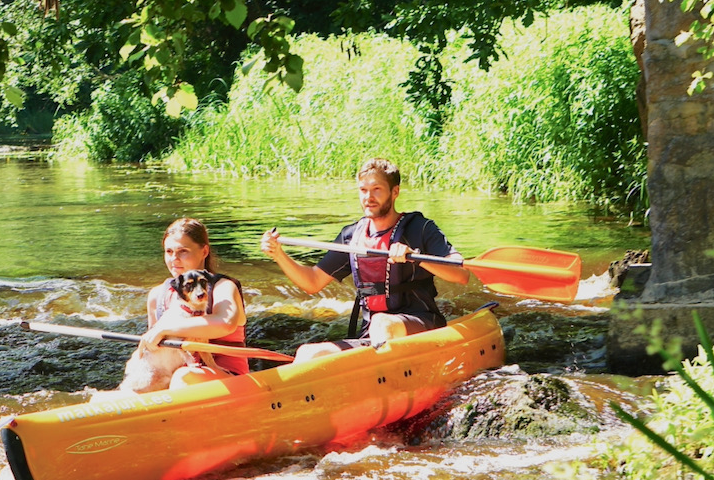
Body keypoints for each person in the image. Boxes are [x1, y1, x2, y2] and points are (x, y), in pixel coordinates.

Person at [260, 157, 469, 361]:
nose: (368, 197)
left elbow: (462, 275)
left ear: (395, 192)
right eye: (363, 190)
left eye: (376, 189)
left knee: (382, 322)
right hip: (374, 335)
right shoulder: (352, 236)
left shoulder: (420, 228)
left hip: (422, 323)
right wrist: (279, 255)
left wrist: (416, 258)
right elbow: (312, 282)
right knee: (308, 353)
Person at [140, 217, 249, 387]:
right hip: (173, 375)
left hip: (226, 377)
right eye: (169, 252)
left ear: (204, 252)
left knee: (184, 377)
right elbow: (154, 347)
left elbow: (225, 324)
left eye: (183, 251)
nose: (174, 259)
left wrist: (165, 328)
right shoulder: (157, 295)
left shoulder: (223, 287)